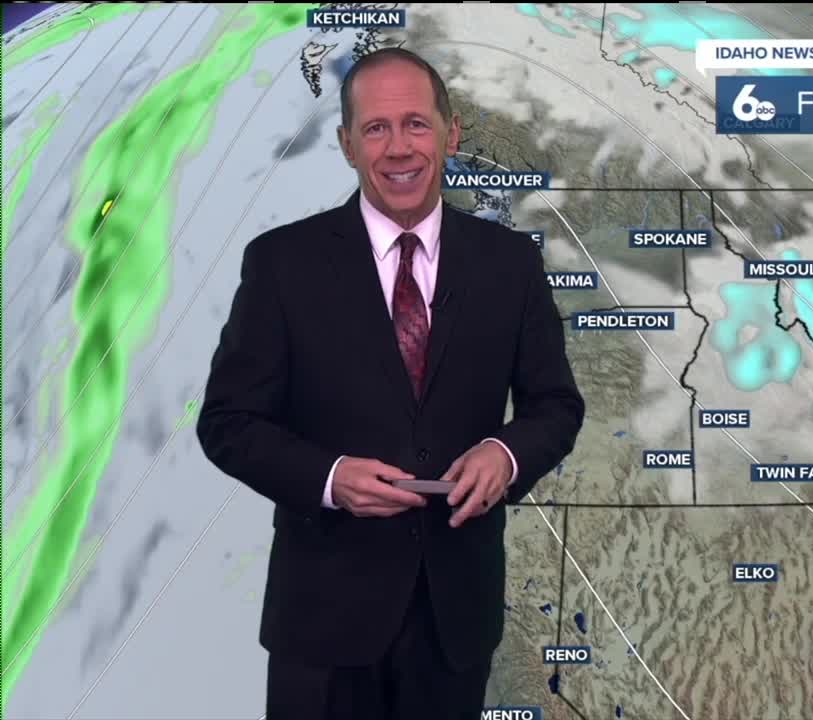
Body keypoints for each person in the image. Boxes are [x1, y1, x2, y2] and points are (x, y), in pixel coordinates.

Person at [195, 46, 584, 719]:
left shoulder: (509, 264)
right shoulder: (283, 264)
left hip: (454, 624)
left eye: (416, 124)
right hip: (322, 624)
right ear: (347, 144)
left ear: (450, 134)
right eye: (376, 128)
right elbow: (227, 423)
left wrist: (505, 453)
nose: (398, 147)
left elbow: (554, 406)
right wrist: (330, 477)